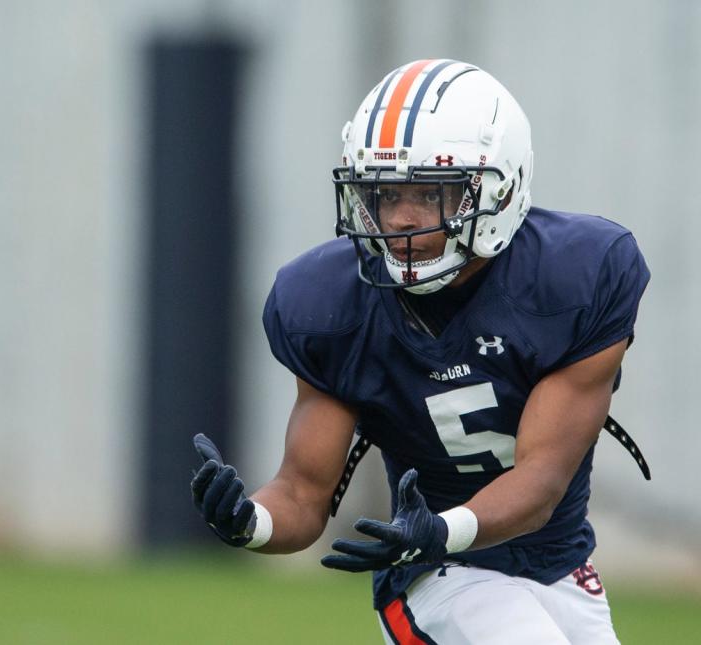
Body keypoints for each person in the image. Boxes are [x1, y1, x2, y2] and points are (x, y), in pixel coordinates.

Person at [190, 59, 651, 644]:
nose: (400, 221)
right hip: (435, 576)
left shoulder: (577, 276)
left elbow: (542, 478)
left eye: (430, 194)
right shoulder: (329, 303)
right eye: (384, 194)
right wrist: (249, 520)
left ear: (499, 188)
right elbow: (303, 493)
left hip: (555, 566)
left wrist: (439, 526)